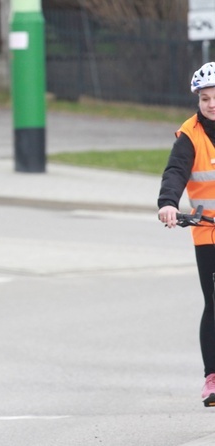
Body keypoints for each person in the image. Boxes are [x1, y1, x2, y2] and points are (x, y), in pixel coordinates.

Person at [158, 61, 215, 407]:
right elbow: (175, 171)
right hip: (207, 232)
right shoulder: (190, 134)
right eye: (205, 98)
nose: (211, 103)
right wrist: (168, 203)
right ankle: (212, 377)